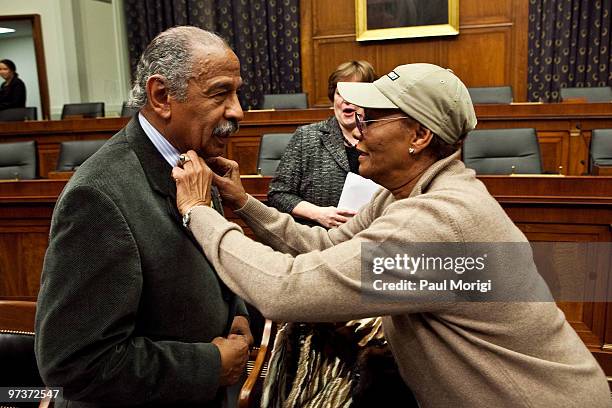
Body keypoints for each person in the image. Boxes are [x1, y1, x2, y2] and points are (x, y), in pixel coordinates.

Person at [172, 63, 611, 407]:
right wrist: (244, 204)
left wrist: (198, 212)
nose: (356, 131)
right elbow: (322, 246)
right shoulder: (402, 196)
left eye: (371, 119)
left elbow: (285, 289)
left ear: (418, 135)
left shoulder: (438, 223)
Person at [35, 26, 252, 408]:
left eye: (236, 92)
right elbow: (74, 363)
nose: (238, 111)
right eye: (220, 93)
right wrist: (210, 364)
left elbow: (203, 263)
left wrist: (235, 313)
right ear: (162, 96)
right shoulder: (97, 198)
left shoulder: (192, 161)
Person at [268, 60, 377, 228]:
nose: (346, 100)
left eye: (354, 93)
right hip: (319, 238)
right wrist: (318, 214)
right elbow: (278, 194)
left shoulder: (384, 138)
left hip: (373, 238)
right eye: (340, 93)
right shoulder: (307, 137)